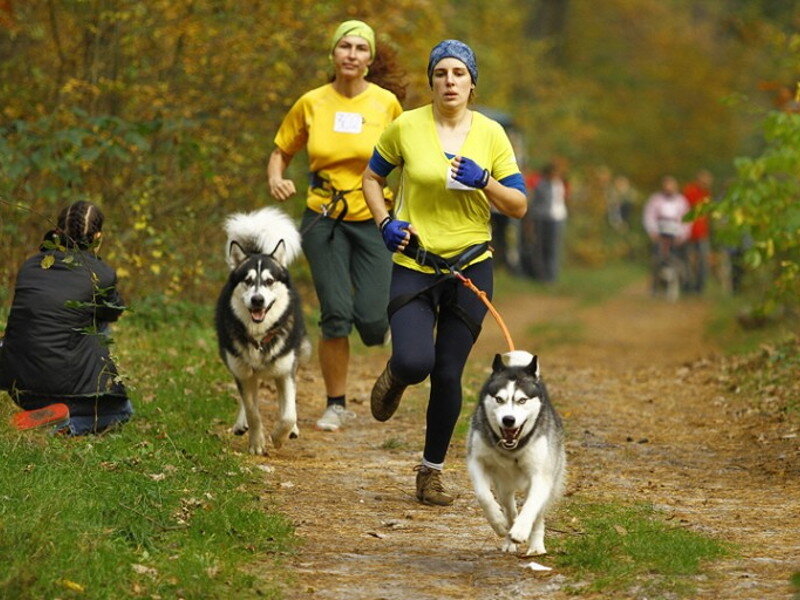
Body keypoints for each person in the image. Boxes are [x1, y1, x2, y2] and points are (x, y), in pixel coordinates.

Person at [362, 40, 527, 506]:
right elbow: (371, 178)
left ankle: (430, 472)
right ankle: (396, 372)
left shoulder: (492, 135)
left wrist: (485, 181)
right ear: (432, 81)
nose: (450, 81)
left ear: (472, 83)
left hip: (470, 267)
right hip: (415, 263)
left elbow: (518, 205)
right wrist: (384, 223)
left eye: (459, 73)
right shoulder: (406, 127)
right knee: (417, 362)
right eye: (441, 73)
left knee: (449, 373)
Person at [267, 20, 405, 432]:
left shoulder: (386, 105)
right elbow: (281, 150)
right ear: (333, 54)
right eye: (344, 46)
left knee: (373, 321)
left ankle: (387, 337)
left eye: (361, 48)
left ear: (370, 58)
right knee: (335, 313)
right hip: (323, 216)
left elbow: (410, 157)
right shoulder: (311, 103)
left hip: (373, 219)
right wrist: (277, 176)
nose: (351, 54)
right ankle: (336, 404)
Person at [0, 201, 132, 435]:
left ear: (58, 231)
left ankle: (43, 412)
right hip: (70, 389)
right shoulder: (101, 274)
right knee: (122, 411)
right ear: (98, 237)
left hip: (20, 388)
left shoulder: (30, 265)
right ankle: (65, 424)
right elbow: (115, 311)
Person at [642, 176, 692, 292]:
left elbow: (686, 219)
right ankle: (655, 285)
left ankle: (685, 284)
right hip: (660, 234)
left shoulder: (681, 201)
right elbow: (649, 216)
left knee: (681, 259)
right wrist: (652, 231)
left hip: (676, 235)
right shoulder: (655, 199)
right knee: (657, 259)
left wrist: (683, 234)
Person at [529, 162, 568, 282]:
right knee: (541, 247)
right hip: (542, 218)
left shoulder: (560, 184)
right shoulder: (541, 185)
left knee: (553, 247)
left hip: (557, 219)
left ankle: (552, 275)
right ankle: (541, 275)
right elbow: (535, 203)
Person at [682, 170, 713, 293]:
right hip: (688, 232)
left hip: (702, 232)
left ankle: (700, 286)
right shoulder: (689, 191)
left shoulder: (707, 193)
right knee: (688, 260)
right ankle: (688, 285)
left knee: (703, 260)